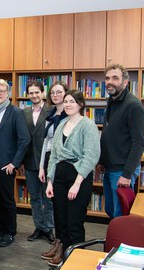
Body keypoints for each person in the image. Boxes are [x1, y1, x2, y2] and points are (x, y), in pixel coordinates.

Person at [45, 90, 100, 267]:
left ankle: (77, 261)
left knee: (74, 222)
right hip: (59, 175)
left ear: (80, 104)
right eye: (66, 101)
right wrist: (50, 181)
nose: (68, 104)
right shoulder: (61, 124)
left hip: (79, 177)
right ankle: (64, 254)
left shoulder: (88, 125)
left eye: (72, 101)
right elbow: (54, 155)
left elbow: (91, 156)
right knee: (61, 220)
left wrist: (77, 184)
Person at [0, 79, 30, 247]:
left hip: (5, 163)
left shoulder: (15, 112)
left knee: (7, 198)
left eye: (2, 90)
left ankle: (9, 232)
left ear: (8, 93)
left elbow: (24, 140)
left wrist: (14, 163)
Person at [99, 64, 144, 219]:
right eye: (107, 78)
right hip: (109, 168)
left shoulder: (133, 105)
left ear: (125, 82)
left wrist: (127, 174)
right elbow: (109, 134)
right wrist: (101, 161)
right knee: (111, 211)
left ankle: (120, 243)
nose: (109, 81)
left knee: (120, 216)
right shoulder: (111, 101)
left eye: (115, 78)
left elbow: (139, 143)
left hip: (122, 170)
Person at [21, 81, 54, 243]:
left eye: (37, 92)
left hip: (47, 160)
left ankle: (49, 228)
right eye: (31, 93)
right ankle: (38, 227)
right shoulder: (24, 112)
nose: (34, 95)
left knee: (48, 197)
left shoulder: (52, 111)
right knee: (34, 197)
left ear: (42, 93)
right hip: (29, 160)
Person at [38, 81, 68, 262]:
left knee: (63, 207)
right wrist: (42, 166)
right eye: (53, 92)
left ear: (66, 94)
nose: (55, 95)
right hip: (49, 160)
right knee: (55, 205)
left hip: (62, 162)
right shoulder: (50, 114)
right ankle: (57, 242)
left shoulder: (68, 115)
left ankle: (64, 244)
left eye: (59, 92)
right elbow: (45, 143)